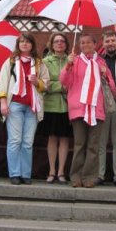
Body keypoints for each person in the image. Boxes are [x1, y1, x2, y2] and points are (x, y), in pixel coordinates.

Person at [60, 33, 116, 188]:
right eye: (82, 43)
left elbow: (112, 88)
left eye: (88, 42)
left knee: (93, 145)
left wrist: (105, 74)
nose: (85, 45)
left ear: (95, 43)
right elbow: (64, 82)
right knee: (79, 144)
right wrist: (68, 66)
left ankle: (89, 177)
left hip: (96, 109)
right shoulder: (75, 61)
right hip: (79, 109)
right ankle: (75, 176)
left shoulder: (101, 62)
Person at [0, 33, 49, 185]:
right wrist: (3, 103)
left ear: (32, 45)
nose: (25, 44)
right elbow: (3, 82)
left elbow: (46, 85)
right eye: (22, 42)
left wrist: (37, 82)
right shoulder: (11, 61)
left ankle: (25, 174)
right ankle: (14, 173)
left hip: (32, 106)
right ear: (18, 44)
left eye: (28, 42)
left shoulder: (39, 63)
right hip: (15, 104)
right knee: (15, 140)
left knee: (27, 142)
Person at [41, 33, 72, 184]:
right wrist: (61, 86)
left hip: (68, 106)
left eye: (62, 41)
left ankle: (61, 172)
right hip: (51, 105)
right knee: (52, 138)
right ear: (52, 44)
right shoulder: (45, 62)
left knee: (65, 138)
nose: (59, 44)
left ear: (66, 44)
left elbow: (76, 81)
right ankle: (51, 170)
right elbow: (45, 84)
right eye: (56, 41)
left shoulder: (72, 60)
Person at [97, 30, 116, 186]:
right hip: (101, 105)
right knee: (100, 142)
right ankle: (99, 175)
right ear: (103, 44)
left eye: (112, 40)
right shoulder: (97, 60)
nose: (110, 43)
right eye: (107, 41)